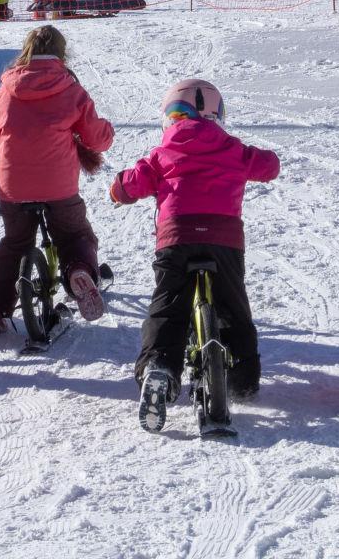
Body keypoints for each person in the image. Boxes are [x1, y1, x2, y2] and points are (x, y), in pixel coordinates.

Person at [110, 78, 278, 429]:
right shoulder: (232, 148)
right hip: (224, 238)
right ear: (218, 114)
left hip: (176, 237)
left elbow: (131, 184)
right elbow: (268, 166)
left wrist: (118, 188)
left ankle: (159, 368)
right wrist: (266, 159)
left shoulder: (162, 152)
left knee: (168, 309)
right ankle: (243, 378)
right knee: (234, 309)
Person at [0, 24, 115, 335]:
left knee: (14, 244)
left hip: (13, 188)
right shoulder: (72, 90)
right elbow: (95, 137)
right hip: (58, 186)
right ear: (62, 55)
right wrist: (108, 131)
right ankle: (79, 270)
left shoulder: (3, 92)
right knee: (74, 234)